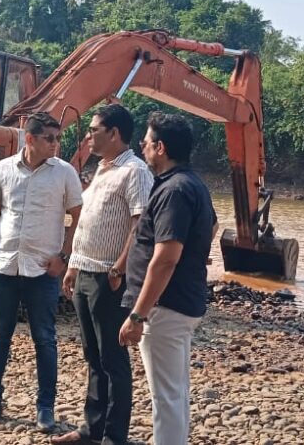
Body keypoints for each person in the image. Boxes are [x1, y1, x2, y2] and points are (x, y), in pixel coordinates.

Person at [0, 111, 84, 434]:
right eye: (50, 138)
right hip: (5, 265)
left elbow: (78, 216)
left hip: (43, 271)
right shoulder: (3, 169)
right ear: (30, 139)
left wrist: (64, 256)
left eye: (58, 138)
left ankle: (45, 407)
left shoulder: (65, 173)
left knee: (44, 338)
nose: (56, 144)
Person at [53, 104, 153, 445]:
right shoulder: (102, 169)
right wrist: (73, 265)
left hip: (109, 277)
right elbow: (90, 222)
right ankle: (91, 429)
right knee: (92, 355)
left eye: (94, 130)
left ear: (114, 133)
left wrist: (119, 267)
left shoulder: (135, 171)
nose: (88, 136)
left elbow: (140, 226)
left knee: (112, 357)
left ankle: (114, 436)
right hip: (86, 273)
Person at [118, 112, 217, 445]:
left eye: (145, 141)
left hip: (165, 307)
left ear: (160, 147)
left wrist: (138, 314)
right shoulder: (191, 183)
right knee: (175, 390)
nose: (141, 146)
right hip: (179, 302)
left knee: (167, 397)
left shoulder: (174, 190)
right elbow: (211, 227)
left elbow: (165, 258)